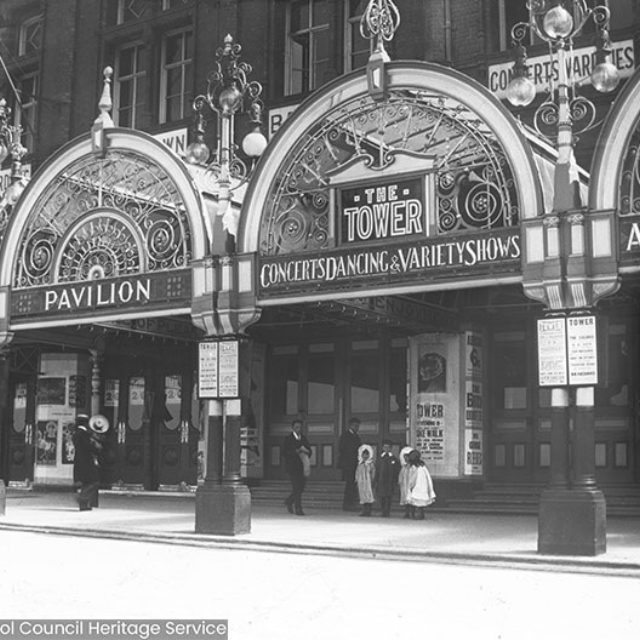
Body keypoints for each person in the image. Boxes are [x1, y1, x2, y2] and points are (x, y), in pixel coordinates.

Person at [282, 419, 312, 516]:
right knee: (296, 487)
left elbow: (310, 451)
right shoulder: (288, 439)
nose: (298, 429)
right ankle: (298, 508)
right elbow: (284, 452)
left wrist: (306, 451)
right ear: (293, 428)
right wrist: (297, 451)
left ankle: (289, 501)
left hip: (302, 466)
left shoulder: (303, 438)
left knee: (301, 487)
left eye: (300, 427)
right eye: (296, 427)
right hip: (292, 466)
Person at [72, 413, 100, 511]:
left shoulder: (76, 433)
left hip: (79, 461)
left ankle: (84, 505)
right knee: (92, 482)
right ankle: (82, 499)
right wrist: (96, 446)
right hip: (87, 461)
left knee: (85, 482)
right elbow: (88, 447)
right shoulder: (83, 434)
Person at [338, 417, 361, 511]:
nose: (357, 428)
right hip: (348, 464)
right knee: (349, 484)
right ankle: (347, 504)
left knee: (353, 485)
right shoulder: (345, 436)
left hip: (355, 463)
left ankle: (352, 503)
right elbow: (342, 448)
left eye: (358, 426)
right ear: (350, 425)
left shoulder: (357, 437)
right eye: (355, 426)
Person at [407, 449, 436, 520]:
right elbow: (428, 477)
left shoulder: (413, 468)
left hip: (416, 487)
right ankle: (421, 514)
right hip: (423, 487)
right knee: (421, 503)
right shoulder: (423, 467)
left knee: (415, 501)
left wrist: (410, 486)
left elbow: (412, 478)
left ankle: (415, 515)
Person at [376, 439, 400, 517]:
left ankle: (387, 511)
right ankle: (383, 510)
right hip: (381, 481)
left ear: (390, 448)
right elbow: (377, 469)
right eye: (384, 447)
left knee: (388, 497)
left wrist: (395, 480)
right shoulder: (380, 458)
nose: (386, 449)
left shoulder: (393, 459)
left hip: (390, 481)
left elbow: (396, 470)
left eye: (388, 447)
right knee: (382, 496)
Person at [355, 444, 375, 517]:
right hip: (361, 483)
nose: (365, 456)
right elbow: (357, 472)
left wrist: (372, 479)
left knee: (369, 496)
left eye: (367, 455)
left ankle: (369, 511)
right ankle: (364, 510)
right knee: (362, 496)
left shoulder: (370, 464)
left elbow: (373, 472)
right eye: (364, 455)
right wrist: (357, 479)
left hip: (368, 483)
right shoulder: (360, 464)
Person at [398, 446, 414, 519]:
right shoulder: (404, 467)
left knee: (411, 498)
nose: (406, 459)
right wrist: (400, 481)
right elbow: (401, 475)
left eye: (407, 457)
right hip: (404, 484)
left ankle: (412, 513)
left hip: (411, 484)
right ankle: (406, 512)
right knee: (405, 498)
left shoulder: (413, 467)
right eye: (405, 457)